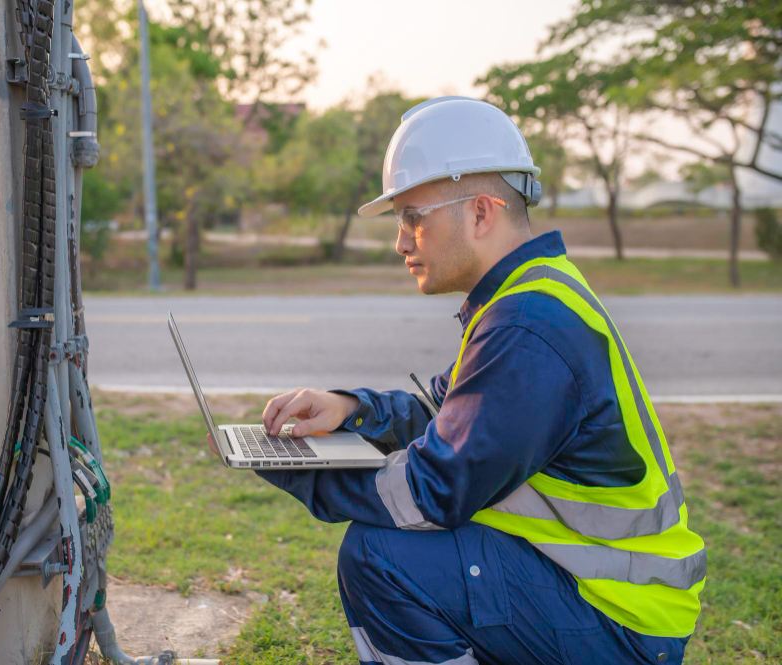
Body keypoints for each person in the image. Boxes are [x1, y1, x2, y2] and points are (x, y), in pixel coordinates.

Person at [253, 97, 706, 665]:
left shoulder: (528, 325)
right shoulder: (529, 295)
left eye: (413, 217)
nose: (401, 241)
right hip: (609, 595)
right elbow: (451, 414)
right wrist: (350, 408)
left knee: (379, 554)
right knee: (394, 550)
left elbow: (435, 490)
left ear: (481, 213)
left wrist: (301, 473)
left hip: (622, 623)